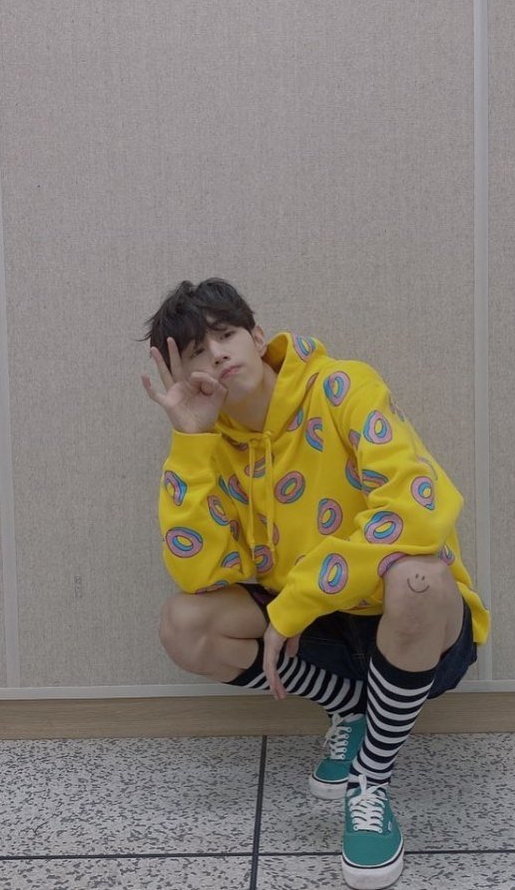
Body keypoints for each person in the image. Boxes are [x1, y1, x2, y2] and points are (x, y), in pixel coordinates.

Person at [141, 278, 489, 890]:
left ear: (257, 336)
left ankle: (369, 782)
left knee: (419, 578)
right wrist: (190, 442)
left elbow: (417, 511)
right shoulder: (212, 442)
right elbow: (199, 573)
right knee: (184, 623)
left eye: (225, 335)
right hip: (316, 634)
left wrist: (294, 604)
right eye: (196, 352)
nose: (216, 354)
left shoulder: (343, 386)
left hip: (406, 625)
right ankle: (348, 706)